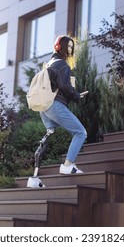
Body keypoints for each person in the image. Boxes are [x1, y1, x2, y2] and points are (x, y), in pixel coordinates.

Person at [40, 35, 87, 174]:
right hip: (55, 105)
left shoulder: (49, 64)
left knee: (49, 137)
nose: (70, 50)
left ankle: (36, 175)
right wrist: (76, 95)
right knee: (80, 132)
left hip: (45, 108)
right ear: (59, 46)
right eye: (68, 46)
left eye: (72, 47)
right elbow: (65, 86)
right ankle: (67, 165)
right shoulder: (61, 64)